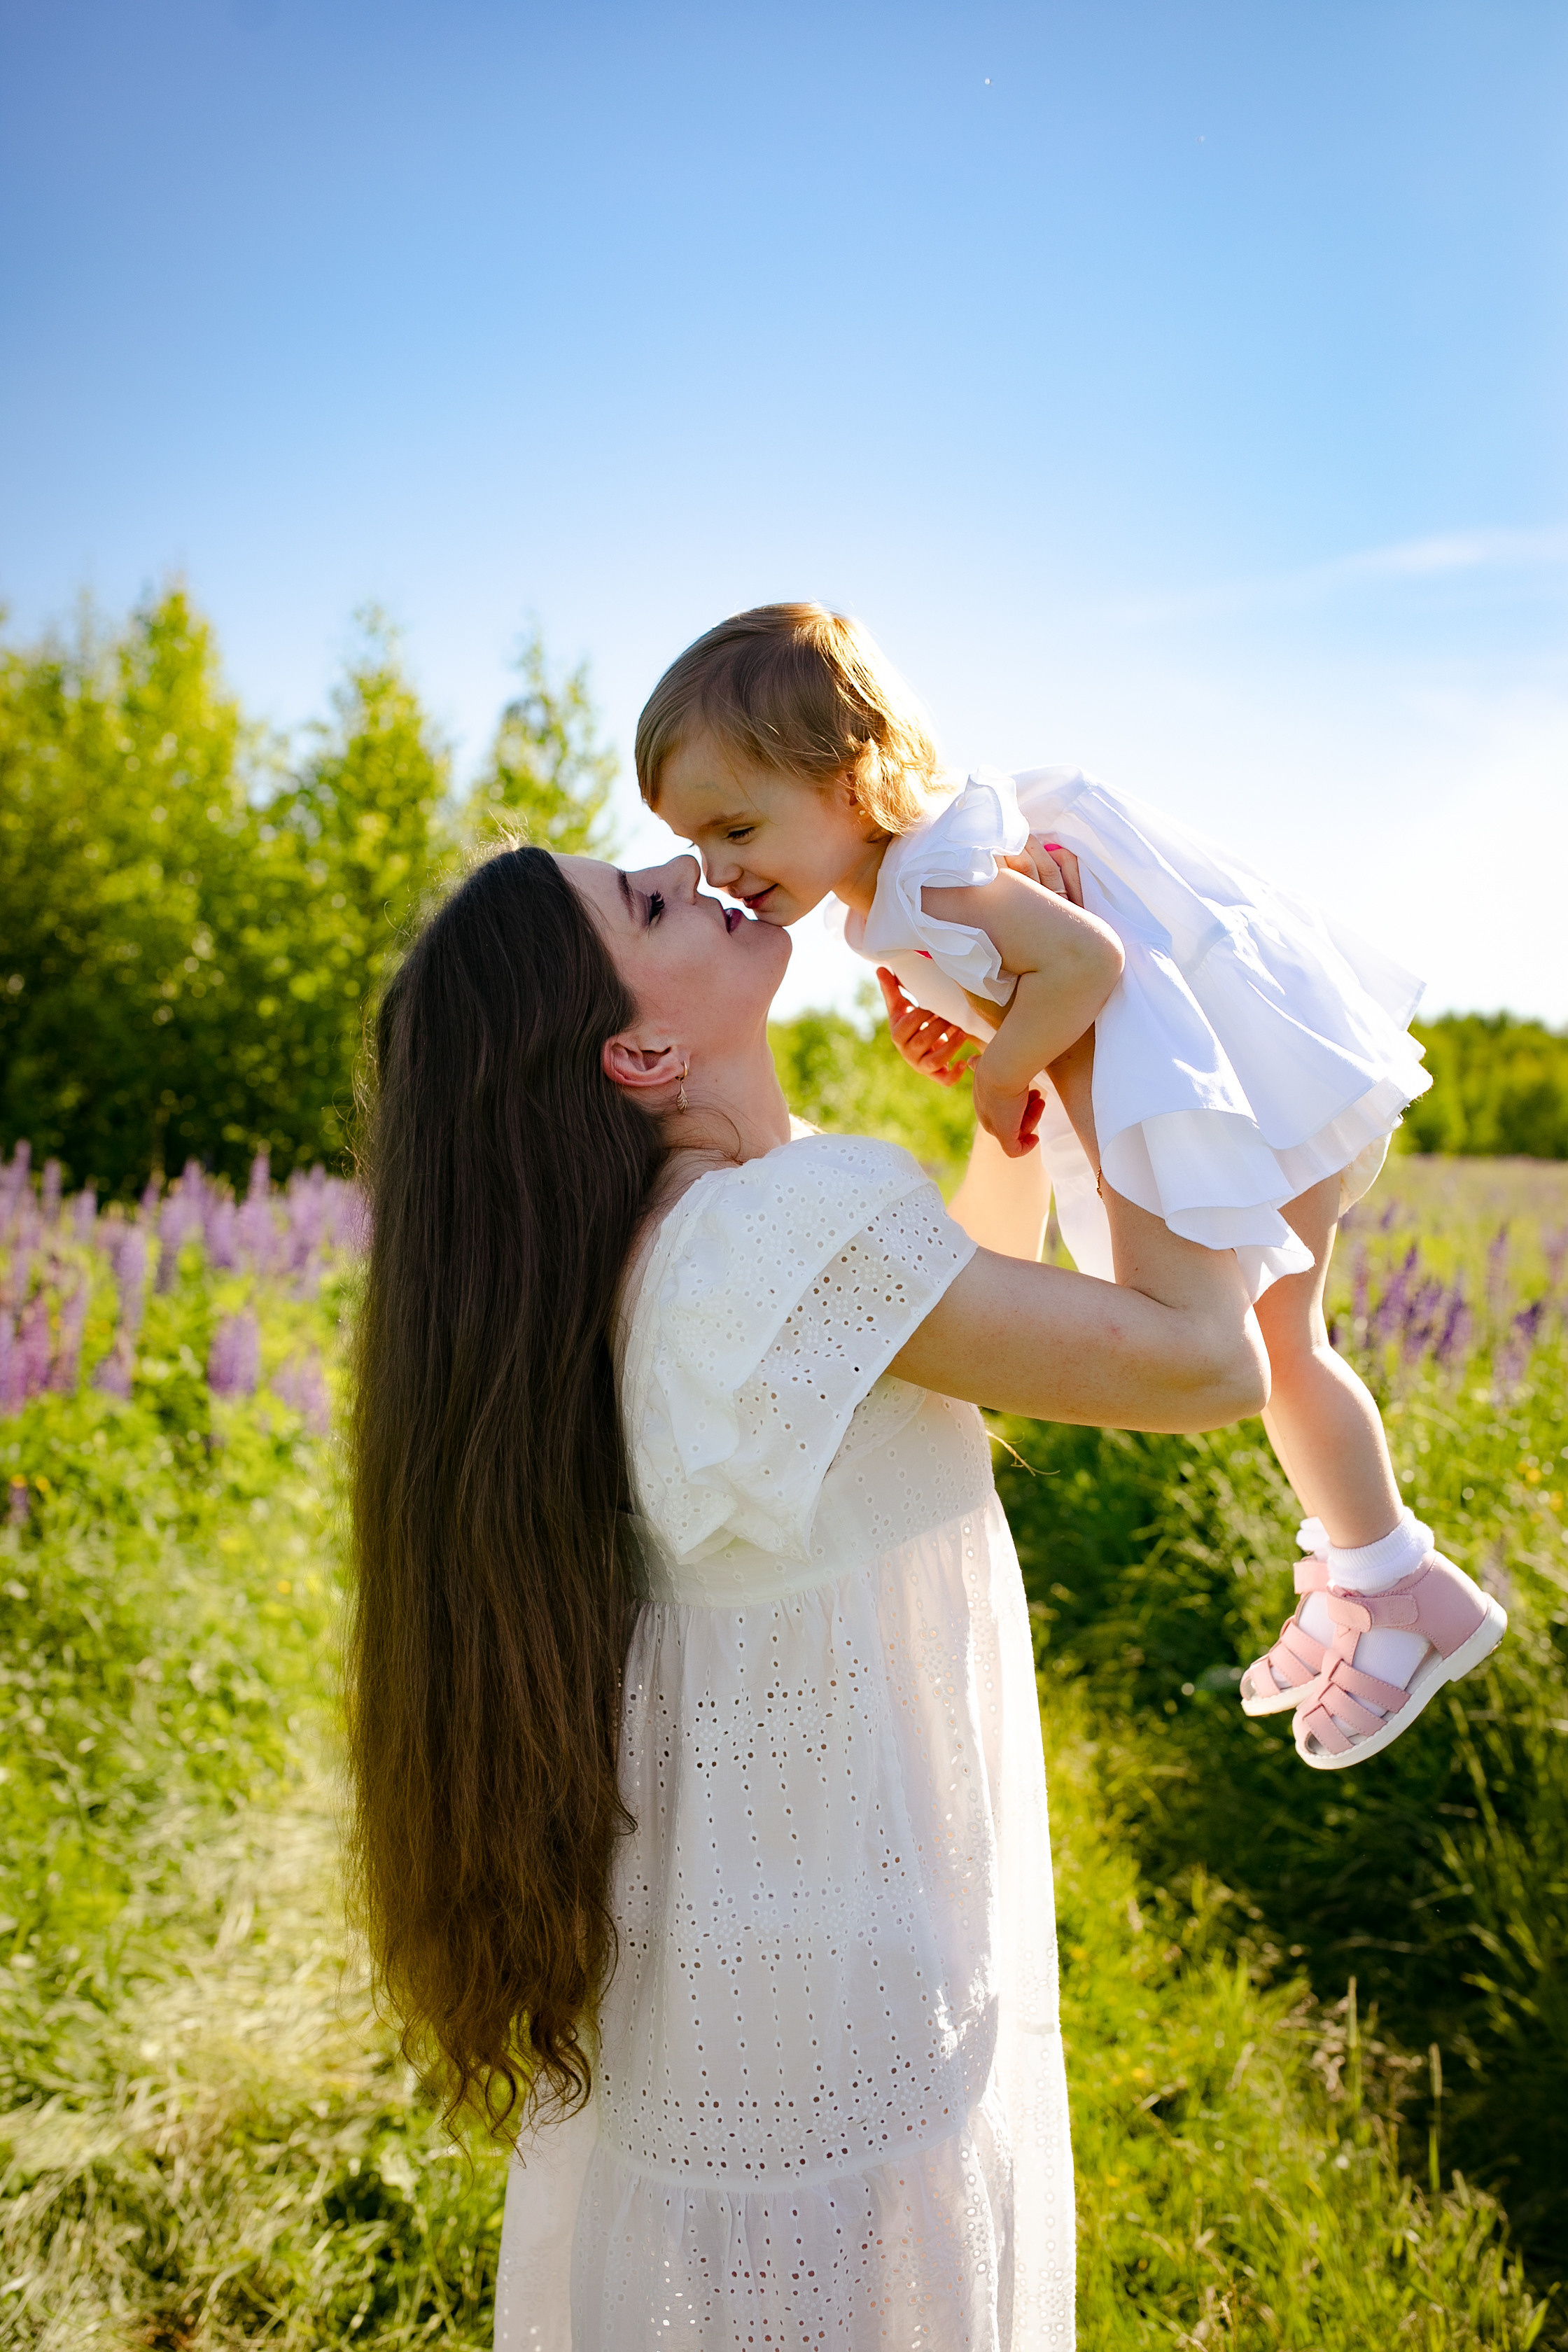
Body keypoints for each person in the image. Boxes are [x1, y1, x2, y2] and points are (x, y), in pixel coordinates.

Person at [348, 840, 1268, 2348]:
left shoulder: (685, 1250)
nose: (677, 862)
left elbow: (945, 1349)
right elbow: (1206, 1363)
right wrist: (1094, 1017)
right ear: (639, 1050)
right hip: (848, 2023)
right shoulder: (767, 1241)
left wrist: (1005, 1090)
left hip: (739, 2007)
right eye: (642, 902)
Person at [636, 603, 1508, 1770]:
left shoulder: (934, 879)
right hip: (1231, 1064)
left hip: (1206, 1082)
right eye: (697, 848)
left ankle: (1395, 1584)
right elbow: (1031, 963)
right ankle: (1376, 1574)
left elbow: (1088, 964)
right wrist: (970, 1006)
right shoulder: (896, 896)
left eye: (738, 827)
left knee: (1275, 1347)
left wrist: (1005, 1062)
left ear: (851, 781)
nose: (721, 872)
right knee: (1287, 1342)